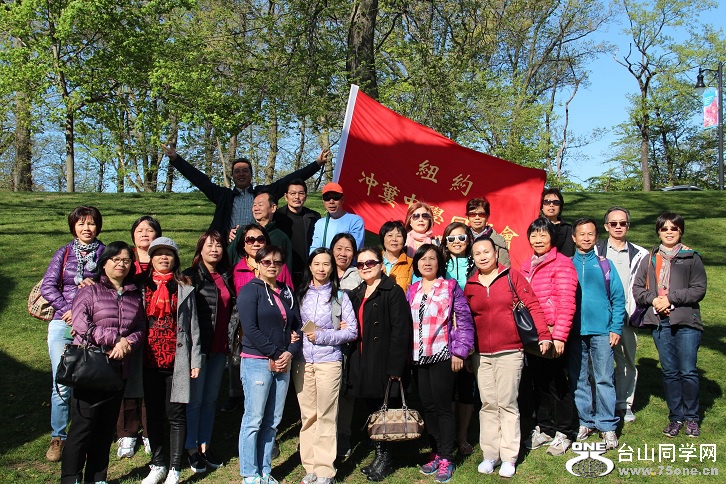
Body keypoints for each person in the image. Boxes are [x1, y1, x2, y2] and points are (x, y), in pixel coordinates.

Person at [465, 236, 551, 478]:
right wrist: (468, 352)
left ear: (495, 253)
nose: (483, 256)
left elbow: (532, 304)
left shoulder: (511, 276)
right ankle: (490, 455)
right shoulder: (470, 284)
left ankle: (509, 456)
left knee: (507, 403)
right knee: (488, 404)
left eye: (487, 252)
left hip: (510, 351)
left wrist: (544, 334)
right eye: (478, 253)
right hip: (481, 354)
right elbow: (466, 320)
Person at [60, 242, 145, 484]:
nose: (121, 264)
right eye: (115, 259)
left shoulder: (133, 295)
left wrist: (126, 343)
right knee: (82, 427)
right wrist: (113, 339)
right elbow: (80, 324)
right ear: (104, 263)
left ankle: (97, 477)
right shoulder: (90, 291)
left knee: (105, 427)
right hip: (90, 366)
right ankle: (70, 477)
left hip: (117, 369)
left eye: (126, 260)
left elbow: (140, 328)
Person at [632, 213, 707, 438]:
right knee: (670, 372)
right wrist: (655, 300)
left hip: (686, 322)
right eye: (664, 228)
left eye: (673, 228)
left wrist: (670, 299)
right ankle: (676, 417)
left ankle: (692, 417)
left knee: (688, 371)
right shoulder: (650, 259)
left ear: (680, 231)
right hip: (660, 323)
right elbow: (638, 289)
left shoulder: (691, 257)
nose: (669, 232)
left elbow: (698, 289)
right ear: (658, 232)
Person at [41, 205, 105, 462]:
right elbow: (48, 286)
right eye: (81, 224)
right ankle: (58, 436)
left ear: (98, 226)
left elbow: (113, 284)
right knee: (61, 381)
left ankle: (87, 432)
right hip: (62, 323)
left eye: (91, 223)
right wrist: (68, 310)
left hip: (92, 324)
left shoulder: (105, 252)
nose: (86, 228)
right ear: (73, 227)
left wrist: (95, 287)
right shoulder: (64, 252)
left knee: (90, 379)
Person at [406, 245, 474, 483]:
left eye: (432, 258)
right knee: (428, 407)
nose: (427, 262)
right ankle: (435, 452)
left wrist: (460, 352)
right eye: (422, 259)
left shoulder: (450, 287)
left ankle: (446, 456)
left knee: (443, 407)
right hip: (418, 357)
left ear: (439, 263)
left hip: (443, 355)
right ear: (417, 264)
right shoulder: (412, 290)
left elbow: (464, 320)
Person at [163, 144, 328, 240]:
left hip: (259, 243)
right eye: (237, 171)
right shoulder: (224, 196)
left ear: (251, 174)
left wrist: (317, 164)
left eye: (245, 171)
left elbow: (289, 180)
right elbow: (200, 180)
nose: (241, 174)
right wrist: (176, 160)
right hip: (230, 245)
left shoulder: (263, 193)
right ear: (233, 175)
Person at [237, 246, 302, 484]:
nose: (272, 266)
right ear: (257, 264)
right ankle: (249, 473)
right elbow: (250, 329)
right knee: (254, 419)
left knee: (273, 421)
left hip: (282, 362)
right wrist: (276, 352)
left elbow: (297, 327)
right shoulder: (249, 291)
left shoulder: (287, 292)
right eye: (266, 261)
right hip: (257, 361)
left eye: (277, 262)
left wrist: (290, 353)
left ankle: (265, 470)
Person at [140, 237, 202, 484]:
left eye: (169, 254)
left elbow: (194, 326)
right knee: (153, 414)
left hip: (177, 360)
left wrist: (195, 360)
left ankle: (175, 467)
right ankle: (158, 464)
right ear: (151, 258)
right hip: (148, 360)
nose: (164, 258)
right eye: (159, 254)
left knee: (176, 414)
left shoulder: (184, 287)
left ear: (175, 259)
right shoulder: (142, 286)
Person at [294, 248, 358, 484]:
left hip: (329, 361)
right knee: (308, 415)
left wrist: (323, 336)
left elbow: (352, 331)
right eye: (317, 264)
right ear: (310, 267)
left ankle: (324, 470)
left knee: (326, 414)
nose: (321, 268)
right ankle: (310, 467)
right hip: (302, 362)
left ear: (332, 268)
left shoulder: (340, 297)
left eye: (326, 264)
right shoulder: (300, 294)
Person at [348, 247, 411, 482]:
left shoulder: (392, 291)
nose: (365, 267)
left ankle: (386, 458)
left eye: (370, 263)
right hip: (363, 359)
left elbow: (400, 331)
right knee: (373, 410)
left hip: (384, 362)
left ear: (381, 265)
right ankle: (378, 454)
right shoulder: (357, 292)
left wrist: (396, 368)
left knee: (385, 411)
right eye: (361, 264)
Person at [520, 217, 578, 456]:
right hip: (534, 334)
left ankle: (564, 431)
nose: (538, 239)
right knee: (539, 383)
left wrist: (560, 336)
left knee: (557, 384)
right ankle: (545, 427)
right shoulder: (527, 265)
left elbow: (566, 302)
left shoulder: (562, 264)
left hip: (553, 332)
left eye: (543, 234)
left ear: (552, 238)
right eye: (534, 235)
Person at [183, 230, 238, 473]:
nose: (214, 249)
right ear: (200, 249)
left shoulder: (226, 275)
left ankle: (205, 445)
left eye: (218, 245)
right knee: (195, 400)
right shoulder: (190, 276)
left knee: (210, 400)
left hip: (220, 348)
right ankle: (190, 448)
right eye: (209, 245)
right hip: (200, 349)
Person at [223, 224, 293, 414]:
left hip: (273, 323)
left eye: (260, 239)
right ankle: (236, 394)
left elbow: (289, 296)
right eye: (250, 240)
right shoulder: (236, 269)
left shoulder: (280, 268)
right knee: (238, 360)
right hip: (244, 323)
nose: (255, 243)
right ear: (243, 244)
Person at [569, 219, 626, 451]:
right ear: (574, 237)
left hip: (602, 331)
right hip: (573, 332)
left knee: (604, 378)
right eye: (581, 234)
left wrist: (615, 327)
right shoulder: (566, 265)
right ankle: (585, 420)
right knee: (579, 378)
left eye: (590, 234)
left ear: (596, 237)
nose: (586, 238)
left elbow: (618, 298)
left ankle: (607, 424)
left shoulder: (605, 265)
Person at [594, 207, 648, 424]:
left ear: (628, 226)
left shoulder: (641, 254)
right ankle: (597, 404)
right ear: (606, 226)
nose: (618, 227)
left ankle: (624, 404)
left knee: (626, 361)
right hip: (598, 317)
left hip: (626, 317)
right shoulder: (594, 250)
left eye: (622, 223)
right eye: (613, 223)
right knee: (594, 363)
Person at [117, 215, 162, 459]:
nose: (144, 233)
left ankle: (149, 430)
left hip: (157, 330)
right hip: (127, 328)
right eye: (139, 230)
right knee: (128, 376)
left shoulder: (162, 259)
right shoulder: (125, 261)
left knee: (150, 380)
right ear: (133, 235)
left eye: (149, 230)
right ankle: (127, 432)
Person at [441, 222, 476, 455]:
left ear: (469, 240)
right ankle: (448, 434)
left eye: (461, 238)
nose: (456, 242)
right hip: (443, 334)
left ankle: (462, 436)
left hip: (471, 332)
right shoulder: (440, 264)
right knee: (446, 388)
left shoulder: (477, 264)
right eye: (451, 238)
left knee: (466, 387)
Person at [330, 232, 362, 458]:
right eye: (339, 248)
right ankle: (323, 434)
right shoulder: (322, 269)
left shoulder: (358, 275)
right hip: (323, 343)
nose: (343, 253)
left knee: (345, 391)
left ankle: (343, 434)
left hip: (349, 343)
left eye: (348, 249)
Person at [275, 179, 321, 288]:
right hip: (283, 272)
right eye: (293, 193)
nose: (297, 197)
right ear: (286, 196)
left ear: (305, 196)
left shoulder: (314, 217)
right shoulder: (276, 217)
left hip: (307, 273)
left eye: (301, 193)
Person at [228, 191, 293, 267]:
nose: (256, 208)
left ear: (273, 208)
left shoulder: (281, 238)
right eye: (254, 205)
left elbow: (286, 270)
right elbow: (227, 259)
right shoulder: (242, 232)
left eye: (260, 205)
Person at [309, 182, 365, 252]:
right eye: (327, 198)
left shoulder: (355, 221)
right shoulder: (320, 223)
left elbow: (352, 249)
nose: (331, 201)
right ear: (323, 201)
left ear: (342, 199)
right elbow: (314, 249)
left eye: (335, 197)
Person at [465, 197, 510, 267]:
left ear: (487, 216)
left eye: (481, 214)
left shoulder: (498, 241)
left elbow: (504, 268)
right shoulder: (460, 238)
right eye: (472, 214)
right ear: (467, 217)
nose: (477, 218)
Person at [379, 220, 414, 292]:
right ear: (383, 239)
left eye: (398, 236)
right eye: (390, 235)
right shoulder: (374, 261)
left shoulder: (411, 264)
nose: (394, 239)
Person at [541, 188, 575, 257]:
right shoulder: (535, 226)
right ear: (542, 206)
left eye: (556, 202)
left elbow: (568, 254)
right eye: (547, 202)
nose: (551, 205)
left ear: (560, 207)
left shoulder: (567, 229)